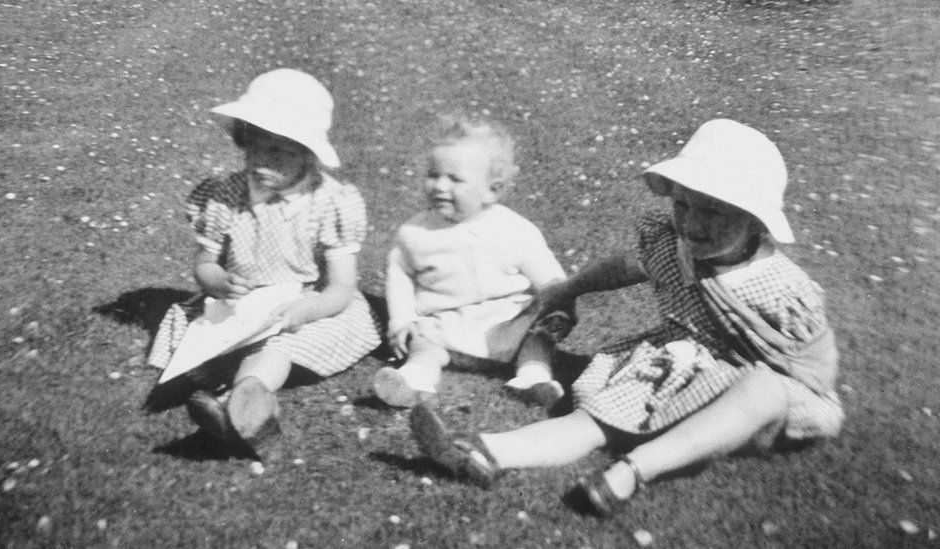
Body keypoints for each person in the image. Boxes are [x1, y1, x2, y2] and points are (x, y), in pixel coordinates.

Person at [409, 119, 844, 515]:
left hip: (756, 399)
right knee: (595, 421)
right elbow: (623, 267)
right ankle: (486, 452)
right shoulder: (674, 245)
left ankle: (632, 472)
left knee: (762, 390)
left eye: (712, 211)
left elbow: (814, 371)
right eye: (684, 206)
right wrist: (570, 287)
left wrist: (771, 390)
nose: (691, 223)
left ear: (754, 221)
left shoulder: (783, 289)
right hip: (679, 367)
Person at [147, 69, 381, 457]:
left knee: (279, 348)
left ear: (308, 154)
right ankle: (238, 411)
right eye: (253, 146)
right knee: (197, 333)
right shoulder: (225, 196)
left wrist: (311, 307)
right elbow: (204, 263)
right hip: (240, 303)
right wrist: (218, 281)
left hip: (300, 304)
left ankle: (241, 403)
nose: (261, 160)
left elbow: (342, 287)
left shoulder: (330, 203)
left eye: (279, 152)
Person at [372, 115, 570, 408]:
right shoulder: (414, 233)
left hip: (507, 326)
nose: (439, 186)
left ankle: (533, 378)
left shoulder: (514, 230)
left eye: (454, 179)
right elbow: (400, 276)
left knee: (537, 338)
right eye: (433, 175)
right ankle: (415, 379)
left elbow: (550, 278)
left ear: (492, 189)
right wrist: (401, 320)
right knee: (422, 345)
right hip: (445, 329)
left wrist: (559, 308)